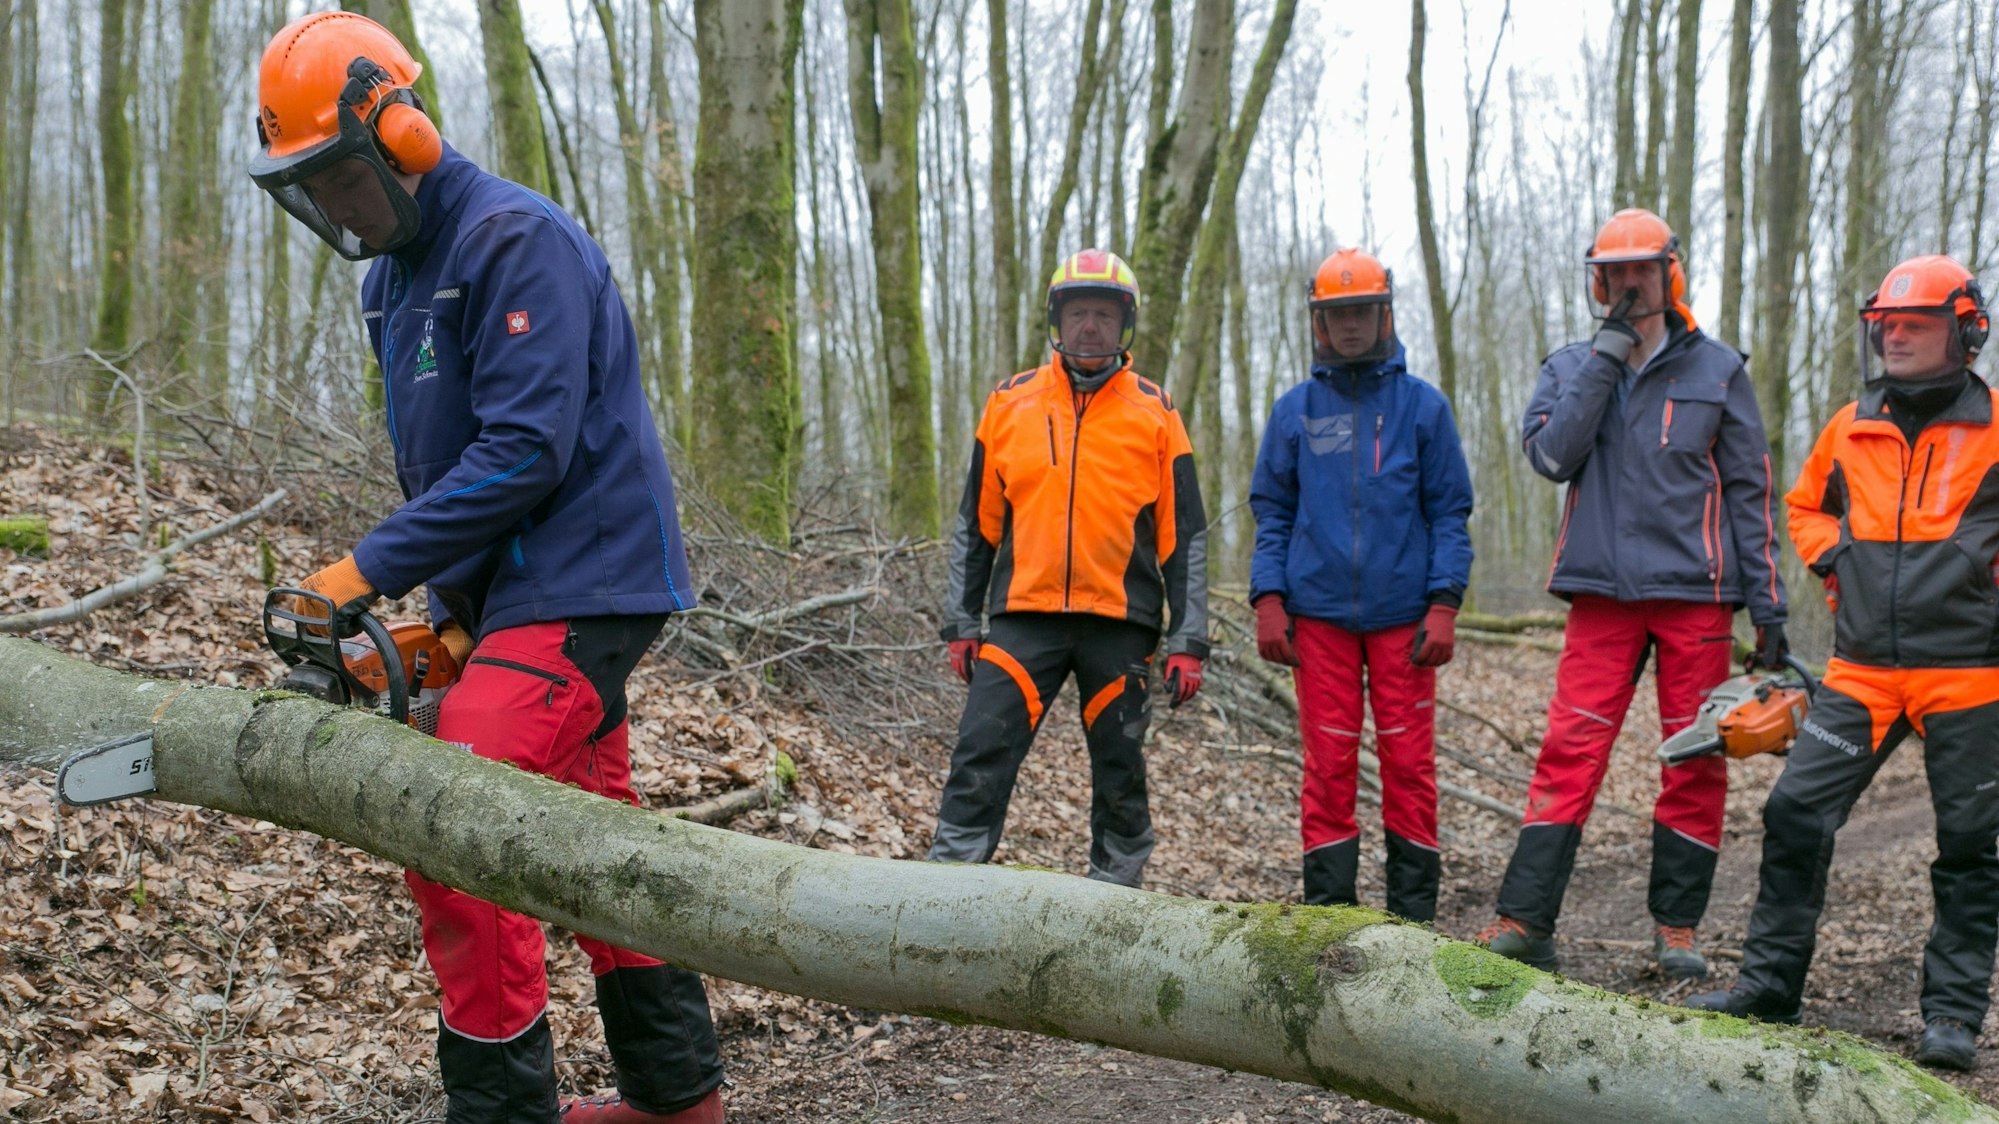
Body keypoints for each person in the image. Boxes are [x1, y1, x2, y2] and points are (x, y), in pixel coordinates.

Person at [249, 13, 722, 1123]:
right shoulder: (390, 286)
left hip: (590, 580)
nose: (334, 208)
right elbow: (444, 473)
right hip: (515, 597)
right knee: (596, 836)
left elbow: (525, 450)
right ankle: (676, 1096)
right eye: (308, 189)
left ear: (400, 135)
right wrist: (454, 616)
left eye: (340, 179)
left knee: (453, 820)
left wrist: (359, 572)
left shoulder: (517, 239)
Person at [1688, 256, 1998, 1071]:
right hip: (1860, 672)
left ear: (1965, 330)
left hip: (1968, 673)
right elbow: (1800, 507)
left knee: (1970, 842)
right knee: (1794, 814)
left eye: (1914, 324)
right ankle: (1768, 988)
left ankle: (1952, 1018)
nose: (1893, 336)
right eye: (1885, 325)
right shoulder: (1849, 423)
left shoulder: (1996, 421)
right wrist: (1837, 563)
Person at [1476, 208, 1788, 978]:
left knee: (1694, 757)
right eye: (1614, 275)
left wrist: (1769, 609)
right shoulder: (1568, 368)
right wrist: (1605, 359)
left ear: (1667, 273)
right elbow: (1551, 456)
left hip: (1697, 598)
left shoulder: (1718, 371)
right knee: (1569, 750)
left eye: (1640, 272)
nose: (1627, 286)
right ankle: (1524, 920)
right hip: (1600, 594)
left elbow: (1750, 493)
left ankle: (1675, 929)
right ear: (1597, 280)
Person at [930, 248, 1209, 887]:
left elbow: (1184, 536)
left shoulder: (1157, 411)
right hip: (1023, 617)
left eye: (1103, 315)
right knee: (981, 750)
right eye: (1079, 312)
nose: (1090, 327)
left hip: (1121, 621)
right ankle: (944, 892)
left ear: (1124, 325)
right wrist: (960, 621)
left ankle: (1113, 902)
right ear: (1057, 317)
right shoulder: (1009, 403)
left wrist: (1189, 640)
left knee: (1121, 768)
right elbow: (975, 524)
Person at [1247, 249, 1473, 922]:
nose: (1349, 327)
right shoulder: (1294, 411)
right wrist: (1267, 597)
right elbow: (1273, 511)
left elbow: (1449, 512)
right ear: (1319, 322)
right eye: (1336, 314)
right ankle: (1329, 917)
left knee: (1408, 765)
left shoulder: (1422, 408)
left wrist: (1443, 601)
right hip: (1315, 618)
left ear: (1384, 315)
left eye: (1360, 313)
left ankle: (1412, 923)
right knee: (1327, 765)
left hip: (1405, 618)